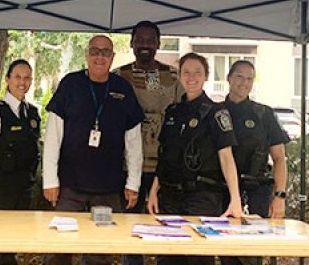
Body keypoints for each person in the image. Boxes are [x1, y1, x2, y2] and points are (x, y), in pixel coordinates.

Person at [42, 35, 144, 265]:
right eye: (95, 51)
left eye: (106, 52)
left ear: (113, 57)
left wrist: (133, 183)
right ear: (87, 54)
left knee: (100, 249)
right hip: (70, 187)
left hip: (107, 188)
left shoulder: (122, 88)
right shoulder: (70, 84)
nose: (100, 56)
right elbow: (52, 136)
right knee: (59, 246)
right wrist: (50, 180)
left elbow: (134, 141)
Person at [148, 52, 242, 265]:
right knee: (169, 256)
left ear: (206, 76)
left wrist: (235, 199)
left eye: (197, 72)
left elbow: (226, 157)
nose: (191, 77)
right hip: (170, 196)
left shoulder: (217, 113)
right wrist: (154, 191)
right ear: (180, 76)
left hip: (202, 197)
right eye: (186, 72)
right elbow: (165, 156)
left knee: (198, 257)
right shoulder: (173, 111)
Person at [113, 21, 183, 265]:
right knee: (130, 224)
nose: (145, 45)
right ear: (132, 43)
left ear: (158, 44)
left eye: (150, 40)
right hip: (127, 165)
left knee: (163, 223)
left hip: (163, 166)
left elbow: (184, 113)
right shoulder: (119, 76)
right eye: (139, 40)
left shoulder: (173, 77)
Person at [220, 60, 290, 265]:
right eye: (240, 76)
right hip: (221, 192)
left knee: (252, 254)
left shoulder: (263, 114)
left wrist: (280, 196)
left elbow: (279, 158)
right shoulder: (216, 111)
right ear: (229, 79)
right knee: (227, 253)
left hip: (256, 193)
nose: (244, 82)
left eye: (250, 78)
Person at [0, 59, 40, 265]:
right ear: (7, 80)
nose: (23, 82)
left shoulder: (32, 113)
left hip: (24, 184)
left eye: (27, 77)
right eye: (18, 77)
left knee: (13, 238)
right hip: (1, 185)